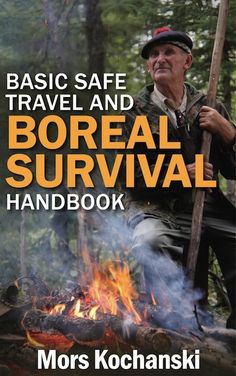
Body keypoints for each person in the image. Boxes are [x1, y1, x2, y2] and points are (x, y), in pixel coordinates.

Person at [120, 27, 236, 329]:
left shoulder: (209, 105)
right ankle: (169, 327)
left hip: (208, 205)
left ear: (187, 61)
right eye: (153, 55)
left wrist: (228, 132)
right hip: (155, 207)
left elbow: (233, 170)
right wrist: (181, 175)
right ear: (148, 66)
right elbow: (129, 176)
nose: (159, 59)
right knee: (151, 239)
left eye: (168, 51)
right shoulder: (133, 113)